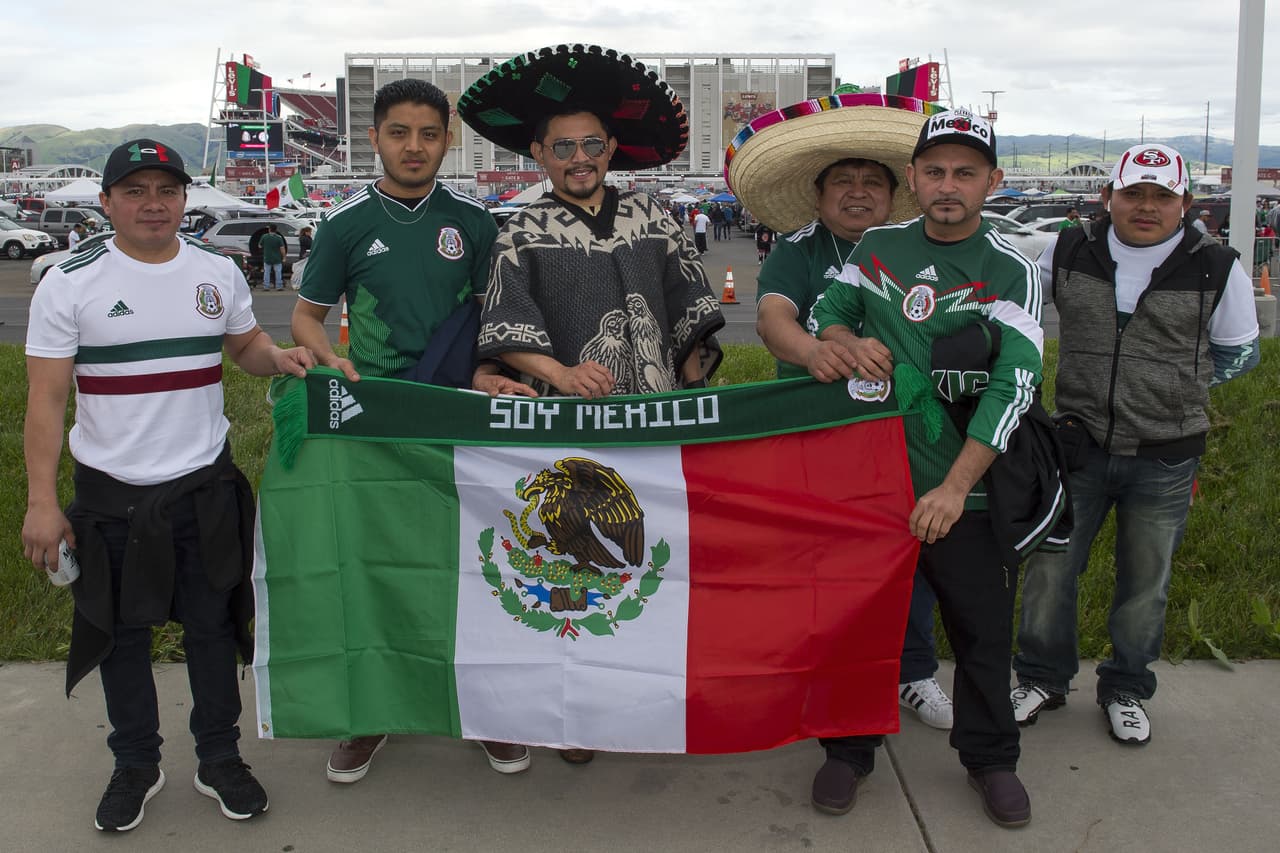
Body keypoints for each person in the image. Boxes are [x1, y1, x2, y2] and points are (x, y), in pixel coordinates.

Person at [22, 138, 315, 832]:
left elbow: (243, 348)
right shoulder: (69, 279)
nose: (152, 205)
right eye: (135, 191)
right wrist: (41, 502)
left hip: (202, 487)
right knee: (120, 634)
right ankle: (135, 762)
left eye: (166, 191)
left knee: (214, 629)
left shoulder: (217, 271)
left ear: (185, 199)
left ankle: (220, 757)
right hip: (110, 494)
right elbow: (45, 402)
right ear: (107, 201)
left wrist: (277, 356)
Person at [461, 44, 725, 764]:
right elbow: (504, 327)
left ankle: (642, 698)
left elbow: (692, 310)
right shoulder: (520, 228)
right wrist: (560, 371)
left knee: (653, 560)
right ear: (538, 155)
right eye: (562, 147)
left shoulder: (655, 215)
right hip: (564, 430)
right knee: (575, 569)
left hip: (653, 424)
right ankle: (573, 711)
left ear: (610, 148)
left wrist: (696, 379)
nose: (579, 158)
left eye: (591, 144)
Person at [290, 78, 533, 785]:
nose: (415, 146)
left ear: (447, 139)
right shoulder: (345, 223)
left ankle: (485, 709)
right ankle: (373, 711)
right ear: (374, 138)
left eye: (429, 133)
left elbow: (499, 319)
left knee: (474, 562)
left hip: (460, 415)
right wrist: (330, 355)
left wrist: (487, 370)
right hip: (381, 416)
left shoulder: (474, 220)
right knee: (378, 566)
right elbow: (306, 314)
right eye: (400, 132)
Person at [810, 110, 1044, 828]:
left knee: (982, 635)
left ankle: (991, 759)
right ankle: (848, 751)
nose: (948, 186)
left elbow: (1016, 386)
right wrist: (849, 340)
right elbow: (826, 313)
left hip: (964, 495)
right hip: (874, 487)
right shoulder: (878, 245)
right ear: (912, 180)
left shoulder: (1013, 268)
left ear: (991, 182)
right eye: (935, 171)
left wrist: (954, 485)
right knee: (859, 628)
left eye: (965, 173)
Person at [1011, 143, 1260, 747]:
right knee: (1050, 568)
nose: (1146, 207)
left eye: (1162, 196)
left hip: (1167, 453)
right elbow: (1019, 314)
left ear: (1185, 204)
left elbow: (1240, 350)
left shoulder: (1217, 266)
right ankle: (1042, 677)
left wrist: (1180, 389)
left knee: (1146, 580)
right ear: (1109, 197)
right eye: (1134, 193)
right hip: (1079, 445)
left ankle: (1126, 687)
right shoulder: (1068, 250)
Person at [726, 94, 956, 749]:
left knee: (904, 553)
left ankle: (912, 670)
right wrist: (816, 352)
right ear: (820, 193)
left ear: (893, 193)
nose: (858, 193)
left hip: (902, 434)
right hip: (813, 430)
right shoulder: (797, 250)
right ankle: (815, 666)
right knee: (815, 554)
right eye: (843, 182)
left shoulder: (919, 250)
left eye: (872, 182)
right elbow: (773, 319)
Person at [259, 224, 286, 291]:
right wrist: (284, 257)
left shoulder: (264, 236)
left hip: (267, 258)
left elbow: (259, 246)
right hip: (277, 258)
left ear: (269, 229)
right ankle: (279, 286)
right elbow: (282, 248)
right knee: (278, 272)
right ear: (276, 230)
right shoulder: (279, 237)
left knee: (267, 272)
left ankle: (266, 287)